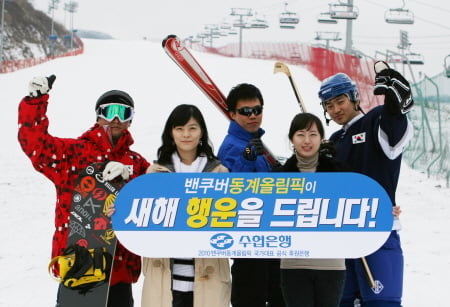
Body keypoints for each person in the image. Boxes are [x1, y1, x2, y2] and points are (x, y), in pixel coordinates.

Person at [18, 75, 150, 307]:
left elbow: (157, 196)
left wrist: (132, 178)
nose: (116, 119)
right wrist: (35, 103)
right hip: (78, 264)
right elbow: (36, 146)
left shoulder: (136, 162)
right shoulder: (74, 153)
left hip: (118, 269)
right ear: (98, 116)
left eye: (124, 112)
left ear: (131, 120)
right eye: (110, 112)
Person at [318, 61, 414, 307]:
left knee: (382, 303)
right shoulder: (334, 140)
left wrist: (394, 108)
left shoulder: (375, 120)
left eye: (340, 101)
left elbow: (393, 141)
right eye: (329, 105)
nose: (336, 109)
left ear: (353, 98)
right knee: (342, 302)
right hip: (342, 234)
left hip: (377, 230)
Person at [141, 104, 231, 307]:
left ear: (202, 132)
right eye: (179, 128)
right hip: (165, 280)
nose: (186, 134)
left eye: (192, 128)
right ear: (171, 133)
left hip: (209, 277)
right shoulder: (155, 173)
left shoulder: (219, 173)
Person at [217, 83, 285, 307]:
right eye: (246, 111)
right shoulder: (232, 146)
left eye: (257, 110)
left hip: (270, 242)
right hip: (248, 245)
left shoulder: (256, 144)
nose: (253, 116)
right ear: (233, 114)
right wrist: (245, 161)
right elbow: (230, 193)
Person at [275, 112, 350, 307]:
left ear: (321, 138)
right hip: (293, 265)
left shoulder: (338, 172)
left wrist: (385, 210)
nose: (307, 140)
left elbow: (358, 205)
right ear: (291, 138)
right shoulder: (279, 177)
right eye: (301, 134)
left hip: (331, 264)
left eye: (313, 134)